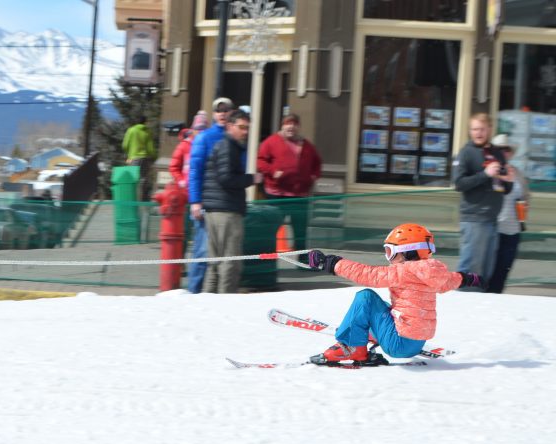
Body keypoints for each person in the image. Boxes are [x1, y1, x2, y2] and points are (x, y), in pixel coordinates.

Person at [304, 223, 485, 364]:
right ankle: (373, 332)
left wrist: (331, 263)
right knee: (392, 307)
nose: (389, 258)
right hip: (416, 342)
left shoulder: (405, 271)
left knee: (366, 297)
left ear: (407, 253)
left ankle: (352, 347)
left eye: (390, 252)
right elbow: (451, 280)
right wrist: (469, 278)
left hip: (398, 344)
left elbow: (369, 275)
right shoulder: (433, 271)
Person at [201, 109, 264, 294]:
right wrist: (252, 179)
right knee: (230, 261)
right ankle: (224, 303)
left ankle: (207, 301)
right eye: (242, 127)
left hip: (215, 209)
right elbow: (226, 178)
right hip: (226, 211)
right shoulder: (228, 147)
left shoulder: (225, 146)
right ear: (230, 126)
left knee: (215, 261)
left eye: (247, 128)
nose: (245, 132)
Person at [454, 113, 513, 281]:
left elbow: (505, 189)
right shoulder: (466, 152)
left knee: (486, 270)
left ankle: (482, 304)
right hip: (474, 218)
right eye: (474, 129)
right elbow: (458, 183)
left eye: (482, 129)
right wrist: (485, 174)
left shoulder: (497, 153)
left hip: (493, 218)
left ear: (489, 129)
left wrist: (508, 181)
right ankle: (463, 302)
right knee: (470, 268)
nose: (478, 133)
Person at [186, 97, 234, 293]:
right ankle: (193, 293)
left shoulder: (236, 137)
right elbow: (195, 171)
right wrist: (195, 201)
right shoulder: (204, 138)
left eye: (226, 109)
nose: (222, 113)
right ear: (214, 114)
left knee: (224, 255)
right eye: (218, 110)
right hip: (206, 205)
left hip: (227, 206)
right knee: (202, 252)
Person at [257, 114, 322, 251]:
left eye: (294, 124)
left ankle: (303, 261)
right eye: (288, 123)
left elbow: (317, 162)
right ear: (282, 126)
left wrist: (313, 176)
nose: (291, 127)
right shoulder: (271, 142)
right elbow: (260, 161)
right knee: (272, 228)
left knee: (300, 232)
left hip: (300, 195)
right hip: (277, 194)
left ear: (298, 127)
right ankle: (266, 259)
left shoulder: (306, 144)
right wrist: (273, 171)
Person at [487, 134, 530, 294]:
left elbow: (525, 195)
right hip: (493, 228)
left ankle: (496, 301)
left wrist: (525, 206)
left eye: (507, 149)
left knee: (503, 269)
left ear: (511, 153)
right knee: (488, 269)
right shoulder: (490, 171)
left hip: (513, 230)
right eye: (499, 149)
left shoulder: (517, 173)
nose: (504, 152)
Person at [121, 115, 157, 201]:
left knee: (133, 179)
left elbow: (125, 145)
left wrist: (128, 155)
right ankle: (142, 199)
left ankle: (132, 199)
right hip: (145, 158)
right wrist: (154, 157)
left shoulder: (131, 130)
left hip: (133, 158)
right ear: (145, 122)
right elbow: (150, 148)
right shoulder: (148, 132)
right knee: (143, 179)